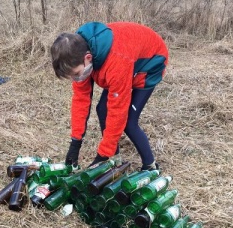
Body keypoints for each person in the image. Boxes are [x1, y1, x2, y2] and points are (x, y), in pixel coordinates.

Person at [50, 21, 169, 170]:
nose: (76, 79)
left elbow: (118, 110)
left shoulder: (116, 61)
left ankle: (150, 166)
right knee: (102, 109)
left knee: (128, 121)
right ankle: (115, 160)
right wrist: (75, 143)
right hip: (127, 58)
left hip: (151, 61)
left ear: (88, 58)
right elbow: (81, 100)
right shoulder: (77, 53)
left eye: (76, 74)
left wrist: (102, 155)